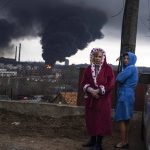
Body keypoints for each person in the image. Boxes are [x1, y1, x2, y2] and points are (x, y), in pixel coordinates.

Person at [81, 48, 115, 150]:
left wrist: (99, 91)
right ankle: (92, 140)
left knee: (101, 120)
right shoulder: (88, 69)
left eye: (99, 56)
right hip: (91, 99)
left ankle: (99, 144)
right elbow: (84, 82)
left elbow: (111, 83)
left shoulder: (108, 69)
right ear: (92, 57)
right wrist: (91, 90)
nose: (97, 58)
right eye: (95, 56)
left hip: (103, 100)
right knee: (91, 119)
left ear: (103, 57)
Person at [114, 52, 138, 148]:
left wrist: (119, 74)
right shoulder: (134, 69)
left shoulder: (130, 68)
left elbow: (119, 78)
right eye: (124, 58)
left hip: (125, 94)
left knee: (121, 119)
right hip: (130, 94)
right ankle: (126, 141)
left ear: (132, 59)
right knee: (127, 119)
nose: (125, 60)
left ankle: (123, 142)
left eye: (128, 58)